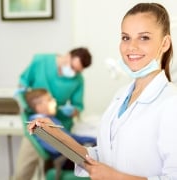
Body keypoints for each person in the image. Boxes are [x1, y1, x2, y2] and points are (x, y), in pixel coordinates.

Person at [28, 2, 177, 180]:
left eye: (144, 38)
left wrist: (116, 177)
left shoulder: (171, 102)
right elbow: (102, 159)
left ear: (165, 43)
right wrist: (58, 137)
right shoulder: (120, 96)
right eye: (125, 37)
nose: (131, 47)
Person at [14, 47, 92, 180]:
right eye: (72, 68)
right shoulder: (41, 61)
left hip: (60, 125)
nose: (74, 73)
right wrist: (23, 95)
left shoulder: (78, 80)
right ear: (67, 56)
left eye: (78, 71)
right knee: (23, 172)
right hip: (36, 126)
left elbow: (77, 107)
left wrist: (72, 111)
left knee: (51, 170)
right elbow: (23, 82)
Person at [25, 88, 96, 159]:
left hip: (69, 154)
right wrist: (79, 148)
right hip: (63, 157)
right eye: (49, 100)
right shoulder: (37, 124)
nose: (54, 101)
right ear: (39, 107)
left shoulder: (52, 119)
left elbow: (70, 137)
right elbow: (55, 148)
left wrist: (93, 140)